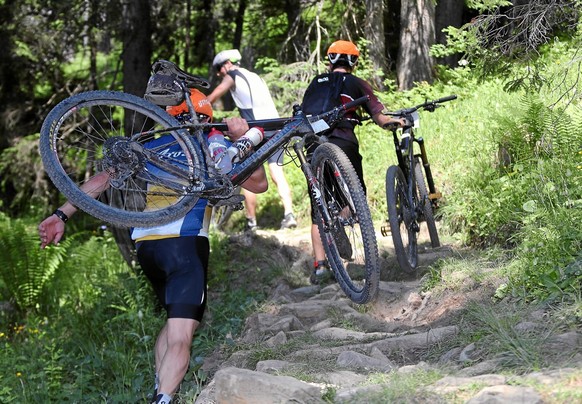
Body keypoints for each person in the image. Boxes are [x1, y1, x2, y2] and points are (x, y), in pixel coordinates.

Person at [37, 89, 268, 404]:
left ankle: (158, 390)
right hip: (185, 246)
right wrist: (245, 139)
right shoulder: (213, 145)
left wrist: (60, 214)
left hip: (146, 249)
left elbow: (102, 180)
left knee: (173, 320)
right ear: (208, 118)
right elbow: (258, 185)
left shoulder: (150, 145)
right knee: (181, 335)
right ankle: (164, 399)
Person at [301, 40, 404, 284]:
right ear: (354, 62)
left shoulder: (315, 83)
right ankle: (345, 223)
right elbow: (379, 116)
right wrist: (396, 122)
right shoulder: (357, 83)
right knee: (354, 197)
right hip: (343, 143)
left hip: (312, 144)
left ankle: (320, 267)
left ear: (329, 61)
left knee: (319, 207)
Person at [206, 49, 297, 231]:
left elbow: (215, 95)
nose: (218, 74)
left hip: (256, 129)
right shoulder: (255, 76)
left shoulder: (232, 75)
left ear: (227, 64)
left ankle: (251, 221)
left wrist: (200, 106)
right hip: (275, 127)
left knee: (246, 170)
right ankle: (289, 214)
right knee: (277, 172)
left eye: (219, 69)